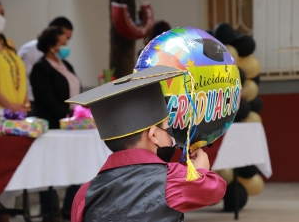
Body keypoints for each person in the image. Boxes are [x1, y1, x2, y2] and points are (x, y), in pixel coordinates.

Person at [68, 66, 227, 222]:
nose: (171, 134)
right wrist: (200, 170)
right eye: (167, 127)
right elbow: (215, 189)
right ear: (153, 135)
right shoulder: (172, 178)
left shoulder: (85, 194)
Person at [30, 26, 80, 221]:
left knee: (78, 165)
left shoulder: (65, 64)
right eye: (63, 43)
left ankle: (69, 206)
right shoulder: (40, 68)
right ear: (52, 47)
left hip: (72, 125)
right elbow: (46, 99)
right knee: (49, 168)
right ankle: (49, 211)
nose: (66, 46)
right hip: (51, 125)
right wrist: (68, 113)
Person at [18, 17, 73, 115]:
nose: (66, 46)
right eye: (64, 41)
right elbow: (22, 78)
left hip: (66, 111)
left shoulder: (64, 63)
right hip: (34, 102)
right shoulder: (30, 50)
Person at [0, 1, 30, 116]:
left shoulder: (8, 44)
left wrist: (25, 101)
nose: (1, 18)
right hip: (3, 111)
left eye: (2, 13)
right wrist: (10, 107)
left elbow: (19, 73)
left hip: (18, 110)